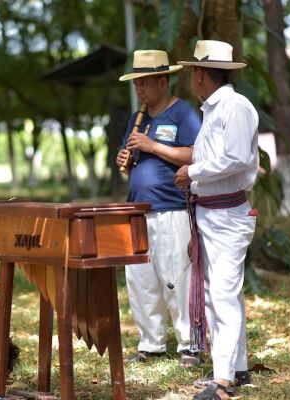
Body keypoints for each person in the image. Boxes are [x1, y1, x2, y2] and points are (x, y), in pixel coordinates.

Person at [174, 40, 259, 400]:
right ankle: (234, 368)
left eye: (193, 70)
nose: (192, 77)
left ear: (199, 74)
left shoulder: (235, 107)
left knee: (222, 294)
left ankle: (223, 381)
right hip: (210, 212)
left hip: (227, 214)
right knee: (220, 294)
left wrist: (192, 172)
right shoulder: (213, 108)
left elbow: (236, 158)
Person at [116, 50, 202, 367]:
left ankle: (189, 344)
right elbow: (130, 159)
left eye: (146, 84)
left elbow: (195, 155)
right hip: (138, 210)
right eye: (137, 84)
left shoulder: (183, 114)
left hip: (171, 209)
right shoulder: (137, 119)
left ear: (163, 81)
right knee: (141, 279)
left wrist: (153, 146)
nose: (140, 90)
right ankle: (150, 342)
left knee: (176, 276)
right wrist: (123, 162)